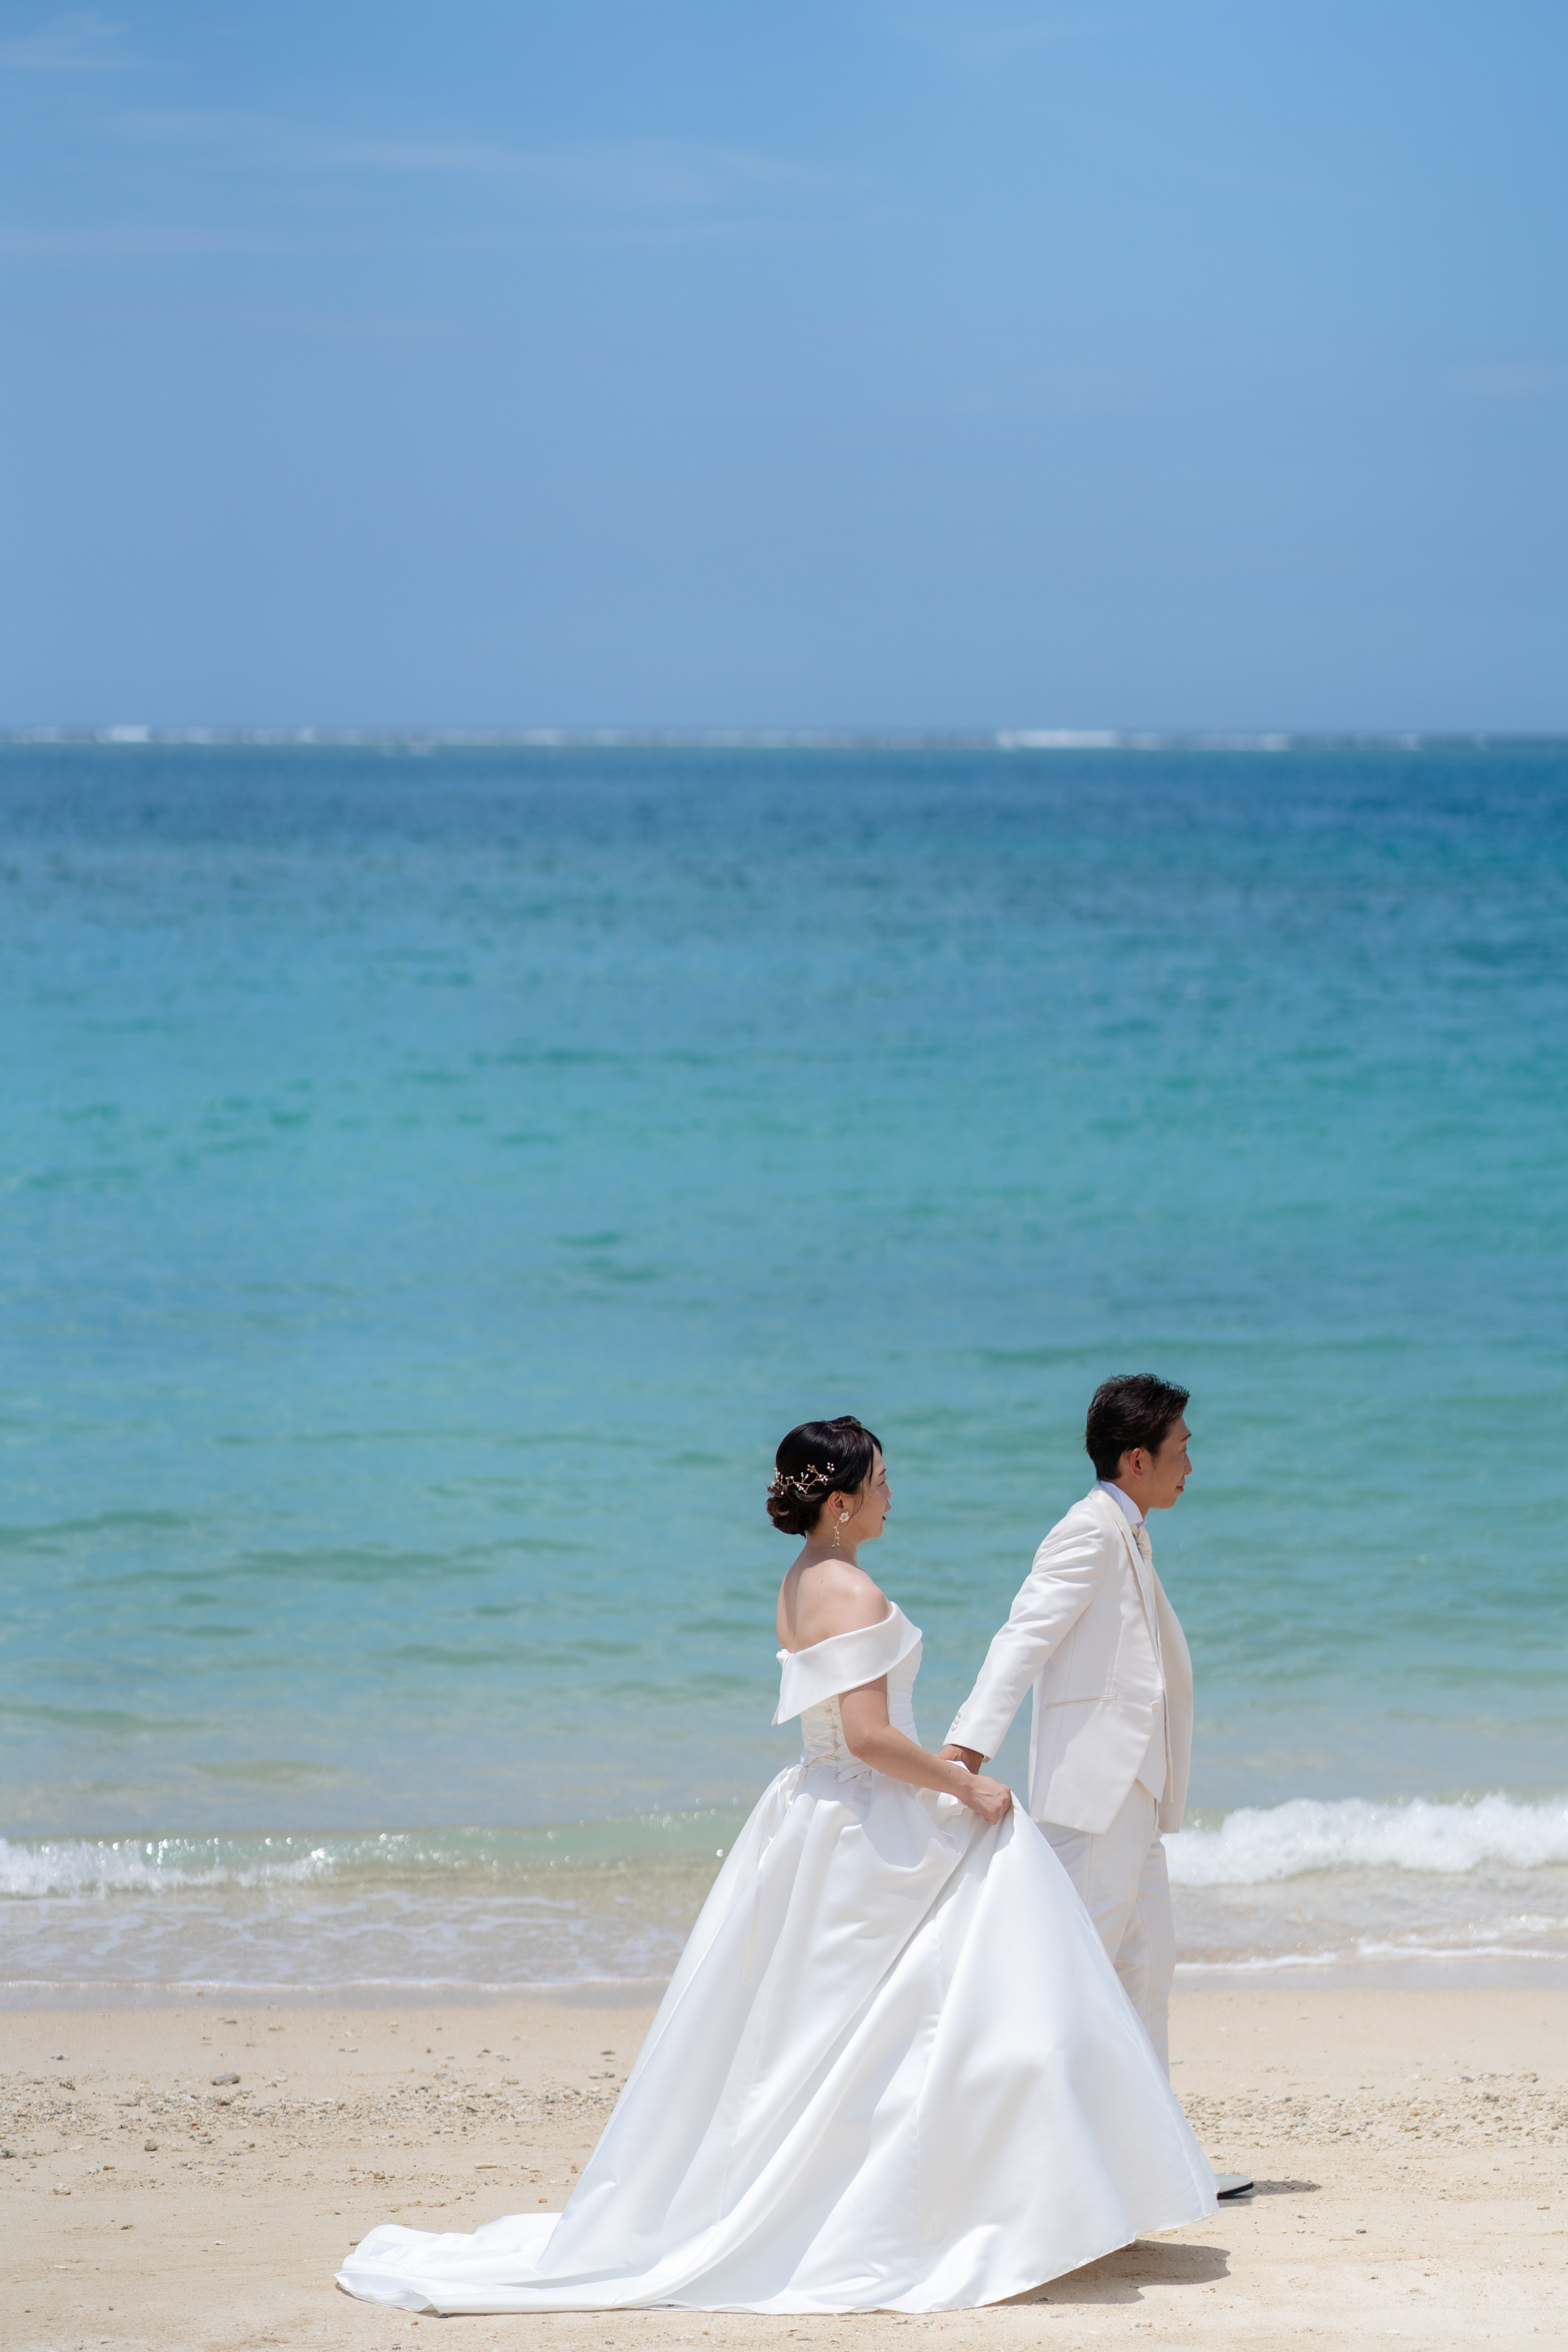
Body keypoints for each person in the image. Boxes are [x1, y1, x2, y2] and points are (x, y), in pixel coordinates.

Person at [337, 1416, 1217, 2318]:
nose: (889, 1493)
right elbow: (872, 1738)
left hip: (817, 1810)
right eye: (878, 1480)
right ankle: (979, 2201)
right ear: (839, 1501)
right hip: (866, 1817)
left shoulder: (801, 1581)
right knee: (937, 2006)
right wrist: (963, 1787)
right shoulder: (850, 1592)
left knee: (831, 2034)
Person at [939, 1375, 1250, 2197]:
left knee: (1147, 1968)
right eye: (1181, 1451)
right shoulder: (1087, 1531)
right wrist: (966, 1749)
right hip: (1094, 1791)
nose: (1192, 1465)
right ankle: (1034, 2172)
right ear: (1137, 1457)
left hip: (1136, 1795)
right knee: (1071, 1978)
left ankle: (1159, 2163)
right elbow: (1024, 1636)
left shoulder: (1131, 1529)